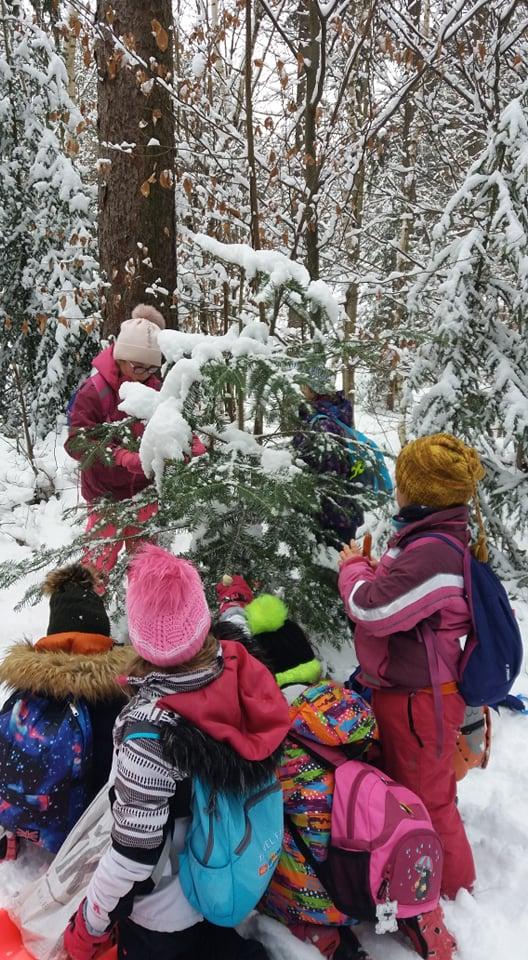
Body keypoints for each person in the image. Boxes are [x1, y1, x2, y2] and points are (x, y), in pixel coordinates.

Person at [64, 545, 290, 960]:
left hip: (165, 916)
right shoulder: (242, 672)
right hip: (228, 874)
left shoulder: (149, 735)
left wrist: (89, 922)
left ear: (140, 637)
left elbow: (133, 857)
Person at [338, 433, 485, 958]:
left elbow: (374, 608)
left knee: (429, 801)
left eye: (402, 481)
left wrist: (353, 569)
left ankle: (453, 893)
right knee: (420, 792)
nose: (396, 489)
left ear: (418, 490)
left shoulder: (435, 552)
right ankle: (430, 878)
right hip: (411, 694)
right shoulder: (429, 539)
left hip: (421, 700)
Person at [216, 584, 375, 960]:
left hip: (317, 895)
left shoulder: (264, 734)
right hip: (369, 876)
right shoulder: (343, 710)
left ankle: (312, 928)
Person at [0, 563, 131, 860]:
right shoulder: (112, 697)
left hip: (17, 808)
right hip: (80, 827)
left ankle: (16, 825)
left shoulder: (27, 687)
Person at [65, 305, 206, 576]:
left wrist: (188, 441)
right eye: (139, 367)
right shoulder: (94, 392)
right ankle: (89, 603)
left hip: (144, 494)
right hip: (106, 497)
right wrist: (119, 456)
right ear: (122, 356)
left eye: (152, 368)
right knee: (96, 568)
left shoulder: (153, 386)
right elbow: (76, 443)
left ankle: (143, 603)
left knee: (146, 569)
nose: (145, 374)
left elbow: (169, 420)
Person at [293, 367, 364, 550]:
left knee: (335, 563)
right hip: (342, 510)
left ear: (314, 389)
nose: (301, 389)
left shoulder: (323, 424)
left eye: (305, 385)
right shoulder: (335, 412)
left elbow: (329, 473)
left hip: (331, 517)